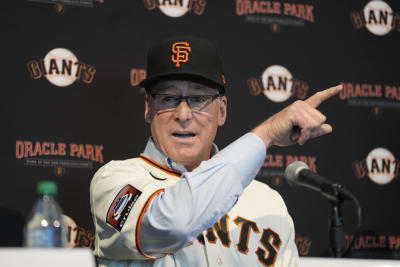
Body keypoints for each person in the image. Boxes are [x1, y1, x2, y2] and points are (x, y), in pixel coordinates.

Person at [90, 35, 342, 267]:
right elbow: (172, 224)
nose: (183, 114)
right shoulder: (115, 180)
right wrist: (267, 134)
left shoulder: (268, 202)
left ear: (221, 110)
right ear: (148, 107)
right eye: (168, 99)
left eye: (198, 99)